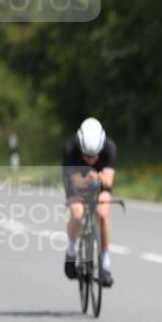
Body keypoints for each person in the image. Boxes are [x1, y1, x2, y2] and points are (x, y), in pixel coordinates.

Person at [63, 117, 117, 286]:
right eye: (87, 156)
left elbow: (108, 181)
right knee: (78, 213)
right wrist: (89, 179)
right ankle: (71, 250)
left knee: (102, 213)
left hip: (100, 183)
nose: (91, 160)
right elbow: (75, 182)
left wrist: (99, 179)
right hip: (75, 183)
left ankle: (106, 261)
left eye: (95, 156)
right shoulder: (70, 148)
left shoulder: (109, 148)